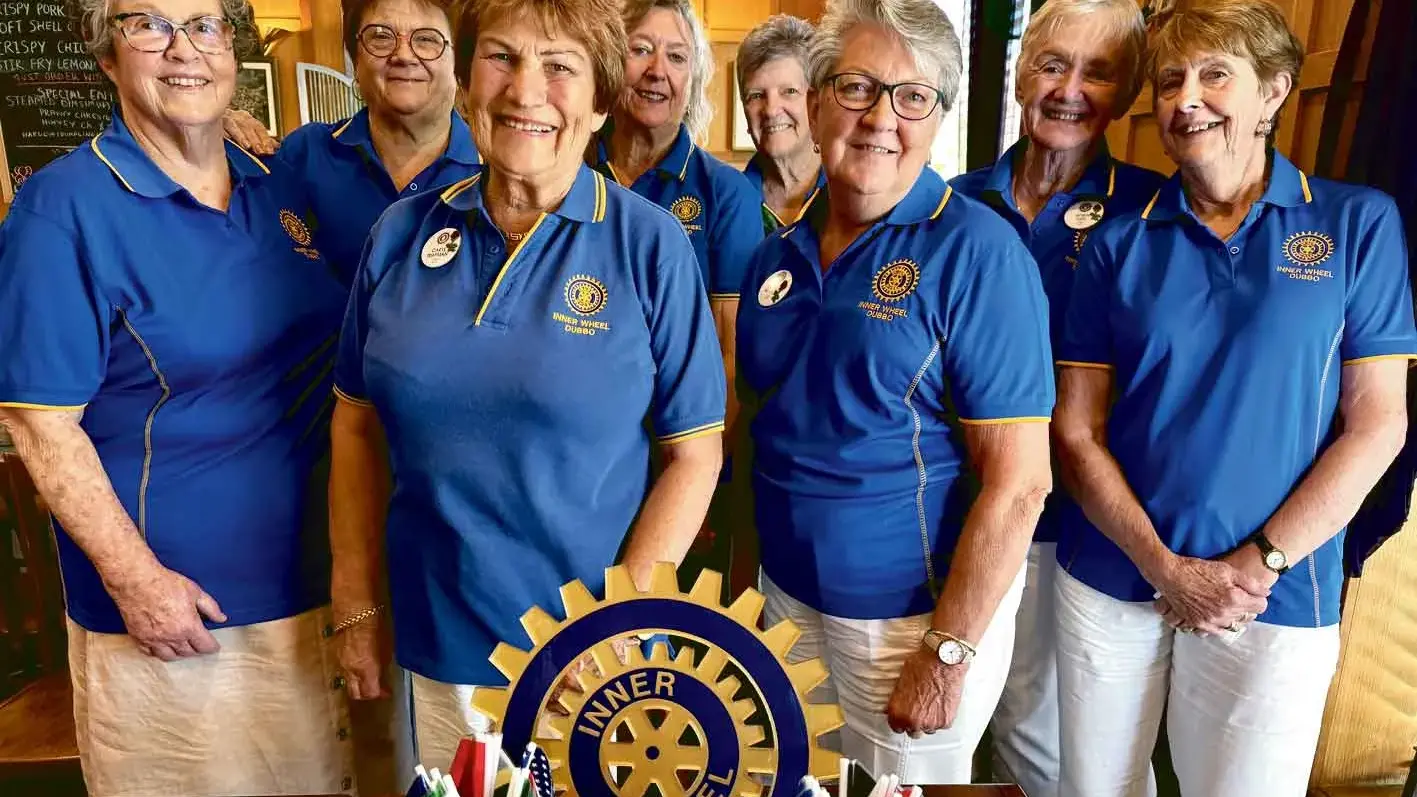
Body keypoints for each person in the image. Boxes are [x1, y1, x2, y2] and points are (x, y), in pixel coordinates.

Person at [326, 0, 727, 772]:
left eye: (560, 67)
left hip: (590, 659)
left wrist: (612, 625)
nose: (525, 91)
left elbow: (695, 454)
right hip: (433, 641)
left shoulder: (651, 245)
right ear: (466, 79)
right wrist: (356, 600)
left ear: (600, 98)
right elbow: (353, 426)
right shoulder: (401, 233)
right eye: (502, 58)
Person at [1051, 2, 1417, 796]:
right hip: (1113, 575)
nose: (1186, 98)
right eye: (1170, 79)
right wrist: (1162, 566)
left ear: (1274, 92)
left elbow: (1378, 423)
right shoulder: (1117, 241)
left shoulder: (1357, 224)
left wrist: (1258, 563)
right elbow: (1076, 430)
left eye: (1216, 75)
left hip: (1274, 592)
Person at [0, 0, 352, 794]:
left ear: (231, 49)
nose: (182, 48)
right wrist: (138, 583)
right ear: (106, 57)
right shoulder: (62, 209)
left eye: (204, 26)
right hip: (184, 620)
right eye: (147, 25)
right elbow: (38, 421)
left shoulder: (276, 180)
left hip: (319, 584)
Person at [735, 0, 1056, 783]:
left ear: (938, 118)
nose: (881, 116)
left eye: (912, 97)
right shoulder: (772, 256)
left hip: (905, 624)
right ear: (814, 103)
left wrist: (946, 654)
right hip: (785, 601)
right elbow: (759, 434)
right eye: (855, 88)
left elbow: (1019, 484)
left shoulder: (977, 253)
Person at [948, 2, 1164, 794]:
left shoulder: (1151, 211)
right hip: (963, 511)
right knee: (964, 726)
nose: (1069, 89)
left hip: (1087, 529)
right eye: (1051, 64)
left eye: (1097, 71)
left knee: (1074, 748)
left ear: (1128, 91)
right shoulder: (952, 202)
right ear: (1016, 70)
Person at [590, 0, 763, 594]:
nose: (657, 70)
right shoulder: (568, 168)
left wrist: (690, 477)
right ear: (613, 62)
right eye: (641, 49)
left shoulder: (725, 194)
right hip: (580, 463)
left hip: (680, 463)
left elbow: (729, 352)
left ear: (694, 79)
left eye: (677, 56)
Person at [223, 0, 480, 286]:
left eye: (426, 39)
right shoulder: (305, 154)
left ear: (459, 64)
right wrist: (214, 126)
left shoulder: (493, 171)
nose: (404, 55)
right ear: (355, 60)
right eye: (381, 36)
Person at [736, 15, 825, 232]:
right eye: (756, 95)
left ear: (817, 104)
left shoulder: (852, 194)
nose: (771, 110)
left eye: (789, 92)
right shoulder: (727, 200)